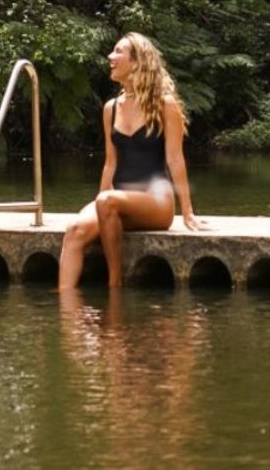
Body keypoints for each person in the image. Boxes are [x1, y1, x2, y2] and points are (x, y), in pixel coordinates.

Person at [58, 32, 204, 292]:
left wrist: (187, 211)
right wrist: (98, 207)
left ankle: (115, 285)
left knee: (106, 202)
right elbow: (110, 164)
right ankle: (66, 311)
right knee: (74, 231)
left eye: (117, 52)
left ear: (137, 62)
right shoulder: (111, 108)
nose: (110, 57)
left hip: (157, 203)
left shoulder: (165, 105)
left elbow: (175, 159)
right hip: (117, 201)